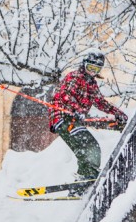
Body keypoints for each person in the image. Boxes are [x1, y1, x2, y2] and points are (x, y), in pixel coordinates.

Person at [49, 51, 128, 182]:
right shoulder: (75, 77)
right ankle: (87, 174)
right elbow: (65, 95)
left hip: (74, 119)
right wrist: (77, 110)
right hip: (64, 117)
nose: (92, 72)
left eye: (96, 69)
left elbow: (100, 102)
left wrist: (118, 113)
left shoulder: (92, 84)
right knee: (90, 145)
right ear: (84, 65)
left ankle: (83, 178)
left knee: (84, 147)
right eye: (90, 68)